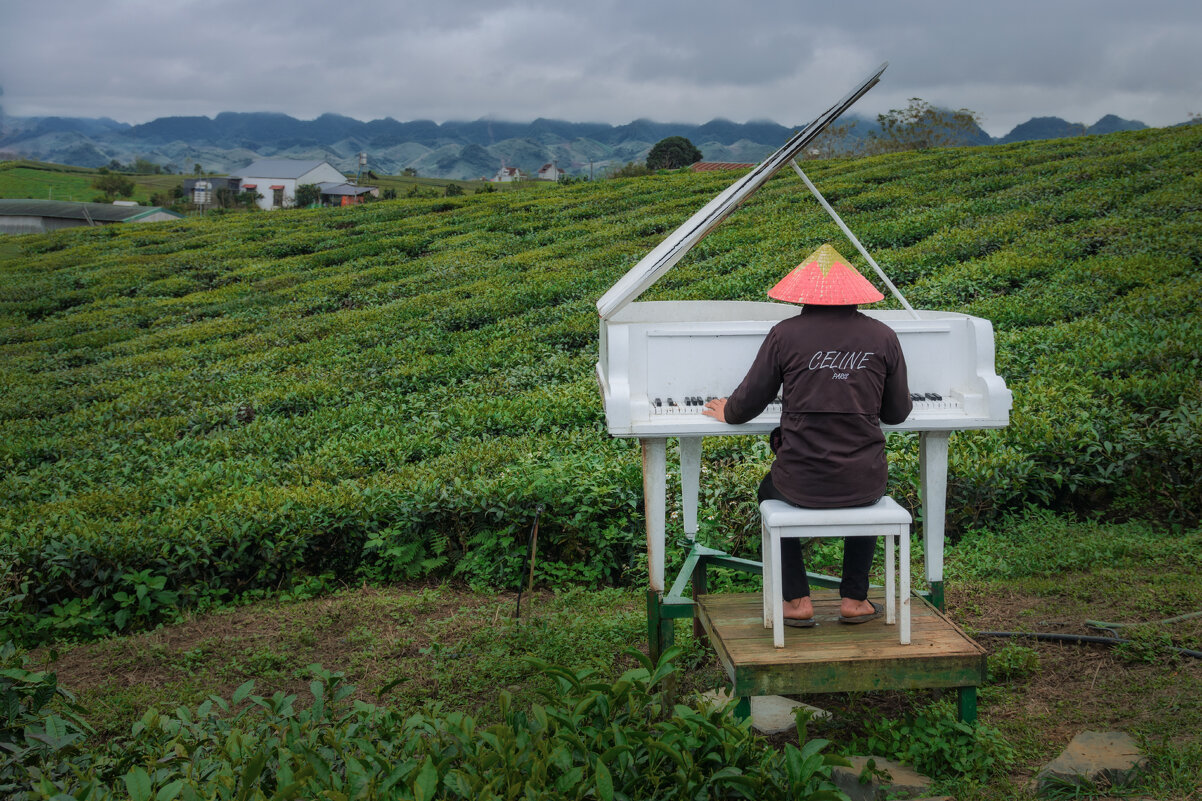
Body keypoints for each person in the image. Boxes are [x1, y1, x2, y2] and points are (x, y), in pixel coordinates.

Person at [702, 244, 912, 627]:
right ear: (854, 294)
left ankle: (797, 601)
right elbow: (897, 413)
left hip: (798, 481)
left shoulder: (784, 335)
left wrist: (727, 411)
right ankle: (855, 600)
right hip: (864, 480)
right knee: (866, 487)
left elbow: (748, 403)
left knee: (768, 490)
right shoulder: (884, 336)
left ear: (804, 295)